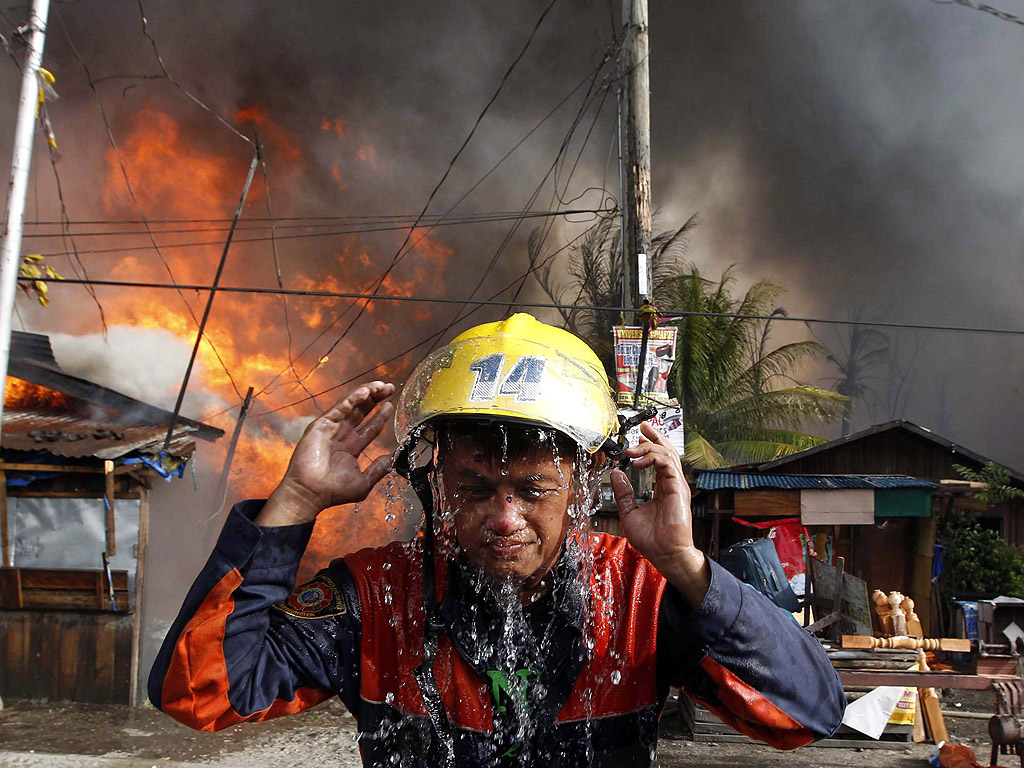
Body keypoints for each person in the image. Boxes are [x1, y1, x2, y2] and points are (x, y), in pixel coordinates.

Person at [149, 313, 845, 767]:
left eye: (533, 491)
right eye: (476, 489)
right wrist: (294, 503)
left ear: (580, 487)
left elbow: (807, 711)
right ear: (438, 486)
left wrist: (690, 568)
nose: (504, 519)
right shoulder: (376, 597)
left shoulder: (641, 591)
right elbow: (202, 691)